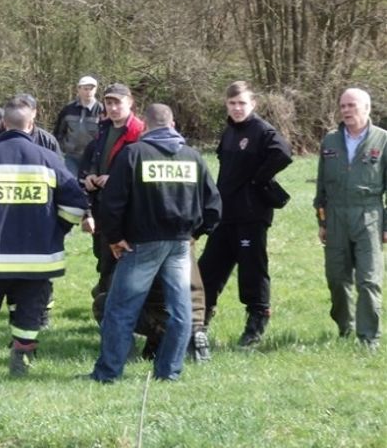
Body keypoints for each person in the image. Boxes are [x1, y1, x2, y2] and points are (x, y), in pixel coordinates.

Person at [0, 97, 87, 375]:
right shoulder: (49, 159)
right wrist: (56, 231)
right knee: (30, 312)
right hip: (37, 259)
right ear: (31, 124)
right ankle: (20, 366)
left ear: (2, 123)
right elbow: (75, 205)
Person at [87, 104, 221, 383]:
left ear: (145, 126)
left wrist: (114, 238)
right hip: (181, 244)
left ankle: (108, 373)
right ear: (172, 123)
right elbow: (214, 205)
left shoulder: (133, 154)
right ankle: (169, 372)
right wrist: (198, 233)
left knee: (120, 309)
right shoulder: (193, 157)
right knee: (181, 311)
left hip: (142, 245)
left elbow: (113, 202)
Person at [197, 81, 292, 347]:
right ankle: (199, 323)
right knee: (208, 270)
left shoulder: (261, 130)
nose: (237, 108)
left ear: (253, 105)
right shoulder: (229, 131)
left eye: (242, 104)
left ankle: (256, 323)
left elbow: (283, 153)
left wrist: (258, 179)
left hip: (251, 215)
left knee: (252, 271)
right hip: (225, 214)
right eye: (232, 103)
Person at [314, 88, 387, 349]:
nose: (345, 110)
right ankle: (346, 326)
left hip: (369, 214)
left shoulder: (383, 140)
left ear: (367, 108)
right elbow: (321, 186)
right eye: (343, 105)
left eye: (351, 105)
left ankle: (368, 337)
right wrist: (322, 221)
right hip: (335, 216)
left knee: (368, 280)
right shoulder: (330, 141)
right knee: (336, 278)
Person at [80, 83, 145, 321]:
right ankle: (104, 299)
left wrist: (116, 179)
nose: (114, 108)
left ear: (130, 103)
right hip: (102, 205)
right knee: (103, 258)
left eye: (118, 102)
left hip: (128, 210)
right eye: (109, 103)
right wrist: (88, 176)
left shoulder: (140, 132)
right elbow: (89, 162)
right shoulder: (103, 130)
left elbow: (143, 170)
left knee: (117, 263)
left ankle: (110, 312)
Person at [53, 76, 103, 175]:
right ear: (79, 89)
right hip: (70, 156)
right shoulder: (68, 109)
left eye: (91, 88)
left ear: (96, 90)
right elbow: (58, 132)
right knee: (70, 184)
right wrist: (60, 151)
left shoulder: (102, 110)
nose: (88, 91)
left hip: (92, 159)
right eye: (85, 88)